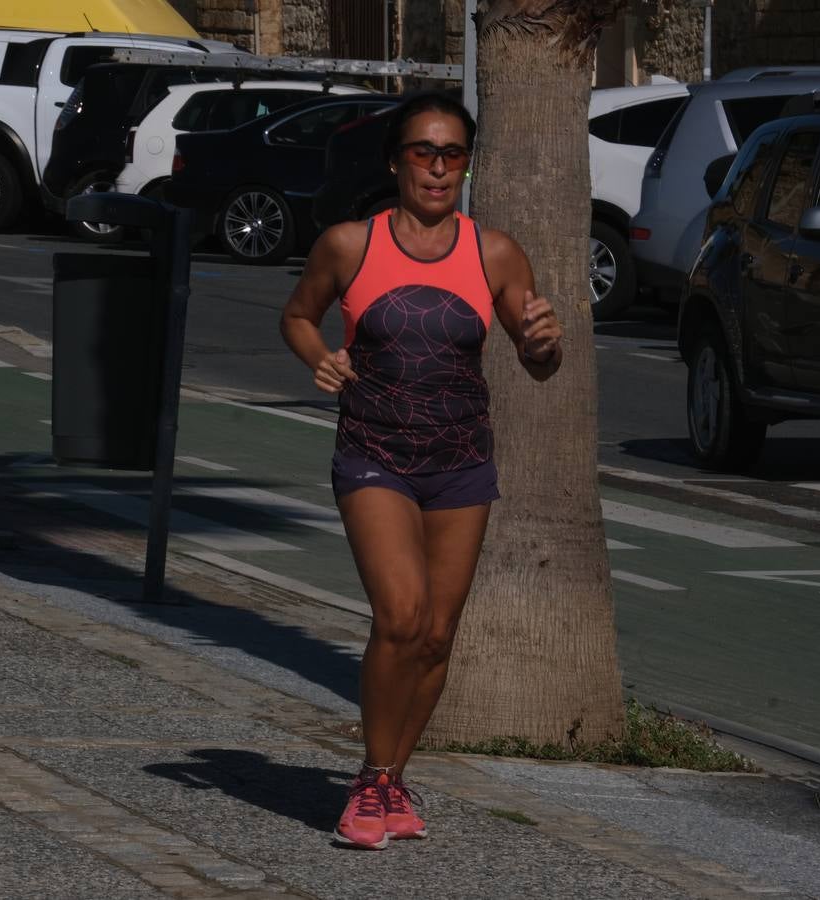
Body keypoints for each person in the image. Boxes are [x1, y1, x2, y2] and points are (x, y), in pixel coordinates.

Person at [278, 92, 563, 850]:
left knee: (437, 635)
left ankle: (392, 780)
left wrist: (541, 342)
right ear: (396, 160)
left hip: (462, 464)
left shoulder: (493, 252)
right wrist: (321, 358)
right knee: (400, 617)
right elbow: (298, 314)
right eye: (423, 153)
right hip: (374, 455)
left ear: (467, 165)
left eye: (453, 155)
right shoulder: (351, 244)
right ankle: (372, 778)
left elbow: (538, 361)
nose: (438, 169)